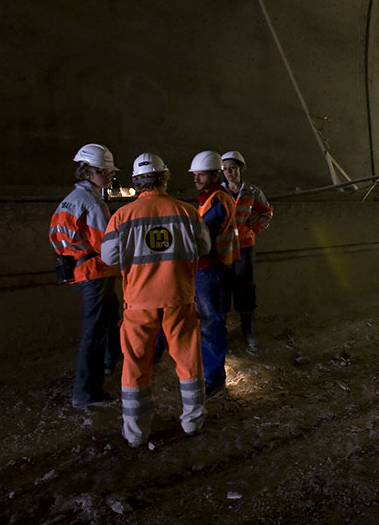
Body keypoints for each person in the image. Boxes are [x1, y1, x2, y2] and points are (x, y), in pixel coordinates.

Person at [100, 153, 211, 448]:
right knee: (189, 362)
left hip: (139, 303)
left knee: (135, 365)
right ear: (164, 179)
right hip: (179, 298)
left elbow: (109, 257)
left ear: (136, 182)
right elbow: (204, 246)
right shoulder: (187, 212)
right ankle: (192, 422)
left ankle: (136, 434)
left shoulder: (122, 216)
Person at [48, 143, 122, 408]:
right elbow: (108, 248)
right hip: (94, 273)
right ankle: (86, 393)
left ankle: (109, 362)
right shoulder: (93, 204)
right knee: (95, 331)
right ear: (89, 172)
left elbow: (56, 237)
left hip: (77, 269)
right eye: (105, 171)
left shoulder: (70, 199)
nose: (110, 176)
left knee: (111, 313)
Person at [190, 150, 239, 397]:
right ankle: (211, 372)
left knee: (211, 323)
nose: (196, 178)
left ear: (214, 174)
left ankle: (215, 379)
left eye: (201, 174)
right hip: (213, 268)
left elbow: (202, 236)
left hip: (211, 269)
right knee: (211, 321)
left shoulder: (217, 199)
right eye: (195, 174)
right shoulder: (210, 198)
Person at [221, 150, 274, 351]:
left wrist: (253, 229)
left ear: (240, 169)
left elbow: (266, 212)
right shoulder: (219, 192)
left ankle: (247, 329)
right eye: (225, 169)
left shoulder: (252, 192)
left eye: (232, 168)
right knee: (223, 287)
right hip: (223, 248)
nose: (228, 172)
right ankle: (222, 331)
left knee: (245, 286)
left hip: (244, 246)